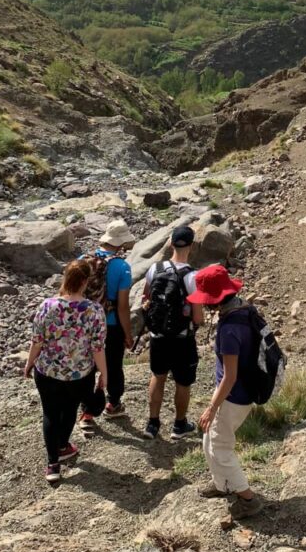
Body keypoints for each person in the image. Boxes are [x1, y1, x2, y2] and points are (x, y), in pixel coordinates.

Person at [190, 264, 264, 518]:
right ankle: (222, 483)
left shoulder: (230, 329)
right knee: (210, 439)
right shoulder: (244, 310)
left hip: (234, 396)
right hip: (242, 390)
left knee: (220, 448)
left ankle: (248, 499)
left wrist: (212, 408)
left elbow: (230, 376)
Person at [24, 258, 108, 484]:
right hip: (80, 374)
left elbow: (37, 340)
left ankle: (53, 464)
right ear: (85, 281)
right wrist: (104, 374)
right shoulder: (94, 310)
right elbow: (98, 347)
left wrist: (29, 363)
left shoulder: (47, 305)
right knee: (70, 409)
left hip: (48, 370)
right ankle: (62, 446)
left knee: (50, 413)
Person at [142, 225, 203, 441]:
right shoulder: (193, 276)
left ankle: (152, 424)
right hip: (182, 339)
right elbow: (198, 317)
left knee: (158, 376)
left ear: (170, 243)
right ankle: (179, 425)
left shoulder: (155, 269)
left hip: (158, 336)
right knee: (183, 382)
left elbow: (146, 298)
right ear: (192, 246)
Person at [78, 218, 134, 433]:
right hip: (111, 325)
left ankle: (87, 413)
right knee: (113, 365)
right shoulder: (122, 267)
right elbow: (123, 306)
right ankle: (113, 404)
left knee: (87, 367)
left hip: (85, 325)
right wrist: (128, 333)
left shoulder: (82, 260)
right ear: (121, 243)